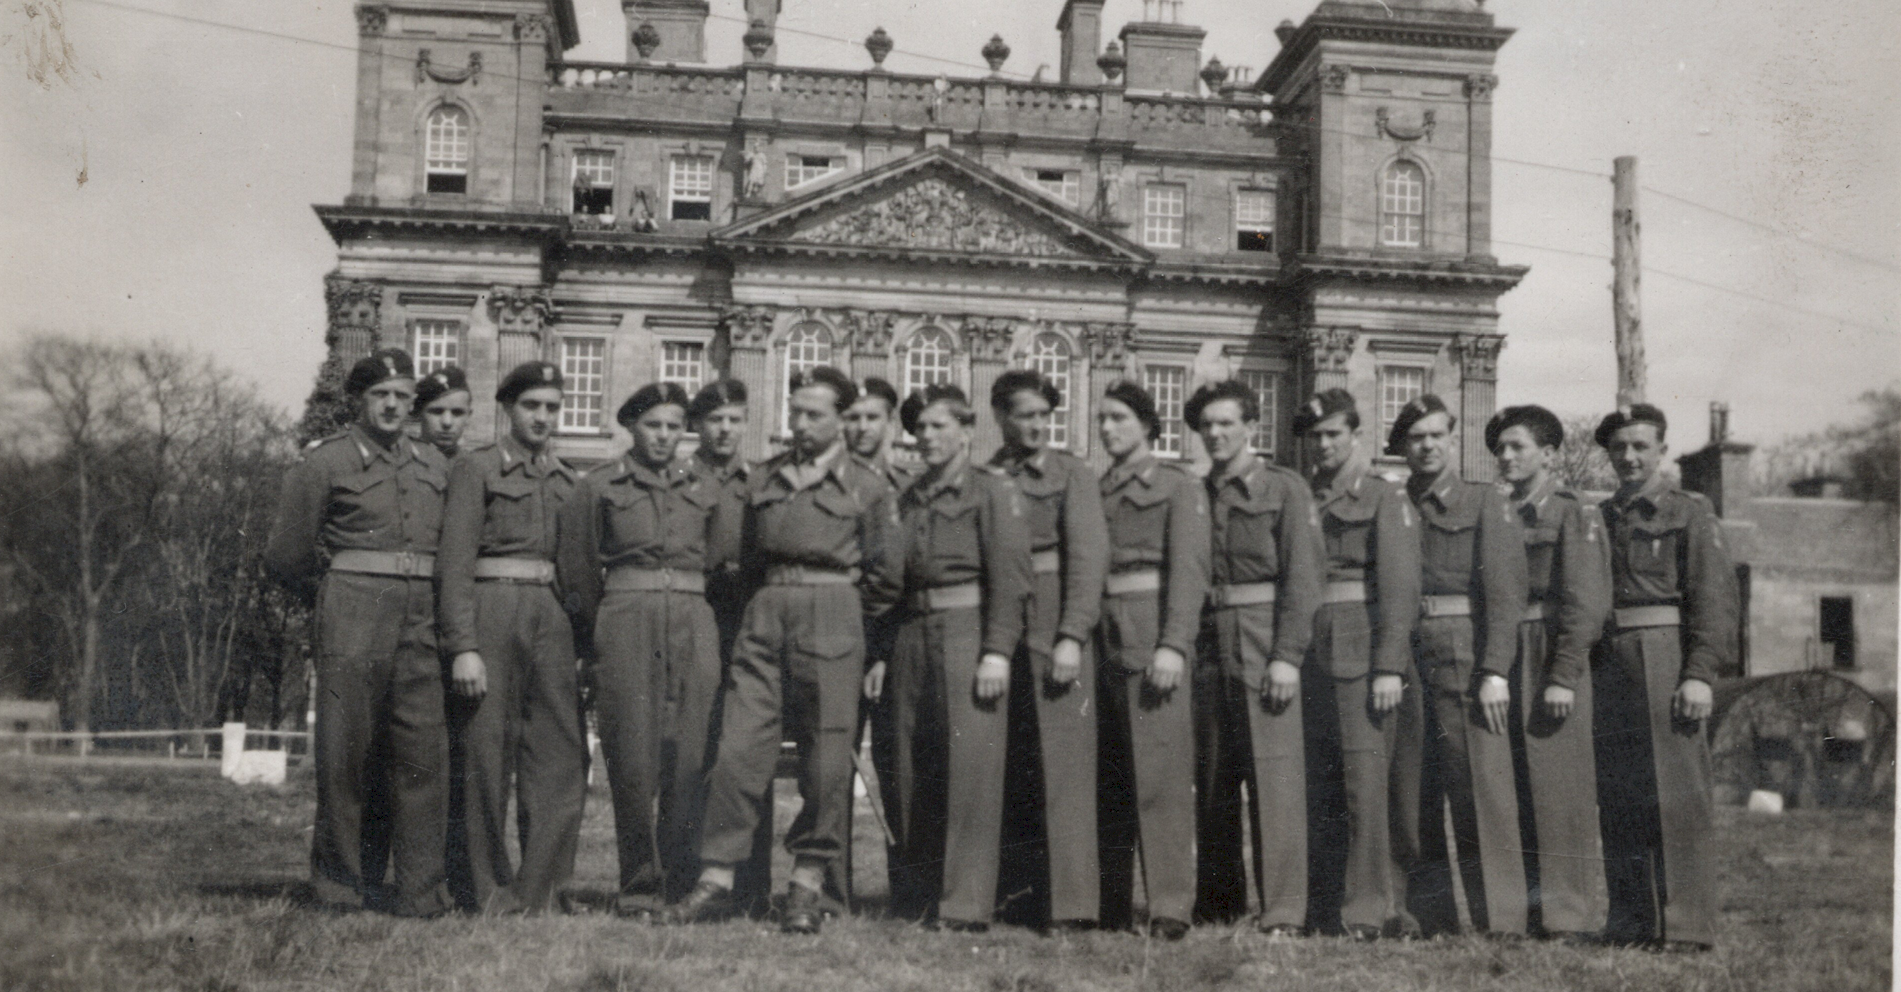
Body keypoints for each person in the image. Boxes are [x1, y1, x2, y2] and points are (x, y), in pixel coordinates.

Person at [675, 366, 901, 935]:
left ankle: (806, 883)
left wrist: (850, 624)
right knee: (739, 749)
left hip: (833, 617)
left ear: (843, 420)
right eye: (794, 412)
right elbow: (749, 557)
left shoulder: (869, 488)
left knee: (826, 760)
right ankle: (718, 878)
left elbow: (886, 576)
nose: (799, 423)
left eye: (813, 414)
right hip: (766, 611)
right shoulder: (765, 480)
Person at [263, 348, 453, 918]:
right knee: (345, 753)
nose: (393, 405)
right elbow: (285, 556)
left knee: (423, 753)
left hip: (421, 617)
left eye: (402, 395)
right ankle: (340, 886)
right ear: (358, 401)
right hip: (352, 613)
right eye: (380, 395)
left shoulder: (434, 465)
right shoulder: (324, 463)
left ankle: (420, 890)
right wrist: (331, 598)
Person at [560, 382, 731, 920]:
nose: (664, 436)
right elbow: (580, 570)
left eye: (674, 426)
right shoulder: (599, 485)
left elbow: (723, 560)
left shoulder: (705, 485)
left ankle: (681, 884)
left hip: (691, 618)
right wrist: (598, 633)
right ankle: (639, 885)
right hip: (626, 618)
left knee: (690, 751)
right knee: (632, 755)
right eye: (653, 425)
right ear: (632, 427)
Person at [864, 384, 1031, 930]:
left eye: (939, 426)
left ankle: (964, 903)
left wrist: (997, 653)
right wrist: (884, 653)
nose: (927, 437)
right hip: (911, 634)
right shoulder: (906, 497)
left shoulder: (990, 490)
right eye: (920, 429)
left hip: (967, 633)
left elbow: (1010, 581)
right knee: (907, 763)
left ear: (966, 430)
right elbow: (893, 583)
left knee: (970, 769)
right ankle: (914, 895)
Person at [437, 361, 586, 915]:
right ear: (507, 409)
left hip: (552, 617)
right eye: (532, 406)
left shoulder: (568, 482)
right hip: (492, 608)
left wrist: (582, 643)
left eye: (552, 406)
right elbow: (454, 563)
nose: (543, 416)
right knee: (483, 754)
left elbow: (576, 570)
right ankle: (483, 888)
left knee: (557, 753)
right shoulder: (476, 470)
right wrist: (463, 646)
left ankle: (544, 888)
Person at [1592, 404, 1736, 952]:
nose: (1629, 457)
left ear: (1661, 451)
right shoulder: (1601, 517)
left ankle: (1687, 926)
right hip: (1612, 663)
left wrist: (1699, 674)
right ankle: (1631, 920)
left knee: (1676, 795)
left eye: (1640, 446)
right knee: (1621, 793)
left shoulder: (1690, 513)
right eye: (1619, 448)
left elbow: (1715, 602)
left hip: (1666, 659)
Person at [1386, 394, 1529, 938]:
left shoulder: (1484, 502)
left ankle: (1502, 918)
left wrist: (1495, 669)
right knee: (1413, 788)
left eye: (1435, 435)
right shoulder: (1395, 504)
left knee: (1479, 789)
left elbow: (1506, 595)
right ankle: (1430, 917)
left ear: (1452, 439)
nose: (1426, 446)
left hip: (1463, 654)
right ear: (1403, 447)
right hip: (1407, 655)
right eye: (1415, 437)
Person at [1186, 380, 1321, 936]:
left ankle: (1284, 908)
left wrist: (1287, 656)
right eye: (1206, 426)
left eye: (1226, 423)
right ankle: (1219, 902)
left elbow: (1304, 579)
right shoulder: (1195, 493)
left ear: (1250, 427)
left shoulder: (1284, 489)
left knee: (1275, 780)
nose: (1216, 434)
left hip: (1264, 643)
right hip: (1207, 646)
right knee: (1214, 777)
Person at [1295, 388, 1420, 940]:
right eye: (1315, 436)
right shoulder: (1305, 497)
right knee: (1318, 782)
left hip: (1359, 649)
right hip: (1308, 650)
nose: (1323, 444)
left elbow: (1399, 587)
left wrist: (1390, 664)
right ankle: (1323, 907)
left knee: (1363, 784)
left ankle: (1366, 908)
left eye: (1333, 434)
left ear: (1354, 435)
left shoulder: (1382, 497)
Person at [986, 369, 1108, 934]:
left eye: (1043, 415)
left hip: (1054, 619)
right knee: (1009, 762)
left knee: (1065, 765)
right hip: (1000, 623)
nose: (1035, 426)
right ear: (1001, 418)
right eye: (1024, 415)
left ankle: (1072, 905)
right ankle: (1016, 893)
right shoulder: (987, 474)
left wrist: (1072, 635)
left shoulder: (1071, 475)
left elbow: (1088, 560)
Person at [1486, 404, 1611, 942]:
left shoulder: (1572, 512)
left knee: (1559, 789)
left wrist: (1562, 674)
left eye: (1517, 446)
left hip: (1548, 649)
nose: (1506, 456)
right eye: (1501, 448)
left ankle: (1567, 916)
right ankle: (1519, 913)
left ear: (1550, 454)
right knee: (1510, 786)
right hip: (1502, 648)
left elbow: (1586, 604)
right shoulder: (1496, 510)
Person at [1094, 380, 1209, 941]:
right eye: (1102, 419)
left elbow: (1189, 572)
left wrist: (1173, 644)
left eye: (1118, 418)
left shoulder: (1175, 486)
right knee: (1110, 777)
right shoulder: (1097, 488)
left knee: (1160, 777)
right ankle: (1110, 900)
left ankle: (1169, 904)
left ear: (1147, 425)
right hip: (1103, 639)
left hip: (1149, 635)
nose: (1107, 428)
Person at [684, 379, 774, 917]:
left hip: (747, 616)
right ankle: (687, 874)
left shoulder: (760, 482)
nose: (725, 429)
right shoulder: (679, 478)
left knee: (746, 752)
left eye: (735, 420)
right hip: (696, 612)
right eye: (715, 419)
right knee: (693, 750)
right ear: (697, 424)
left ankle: (752, 887)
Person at [842, 375, 915, 912]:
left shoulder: (907, 489)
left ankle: (908, 890)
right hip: (832, 640)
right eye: (853, 417)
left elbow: (906, 580)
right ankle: (830, 890)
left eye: (872, 417)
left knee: (898, 766)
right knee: (831, 770)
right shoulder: (826, 481)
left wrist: (883, 652)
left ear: (891, 423)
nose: (861, 427)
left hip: (888, 648)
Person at [415, 366, 473, 458]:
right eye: (437, 412)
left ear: (468, 416)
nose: (447, 422)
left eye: (457, 413)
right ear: (419, 412)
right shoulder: (398, 464)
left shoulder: (476, 467)